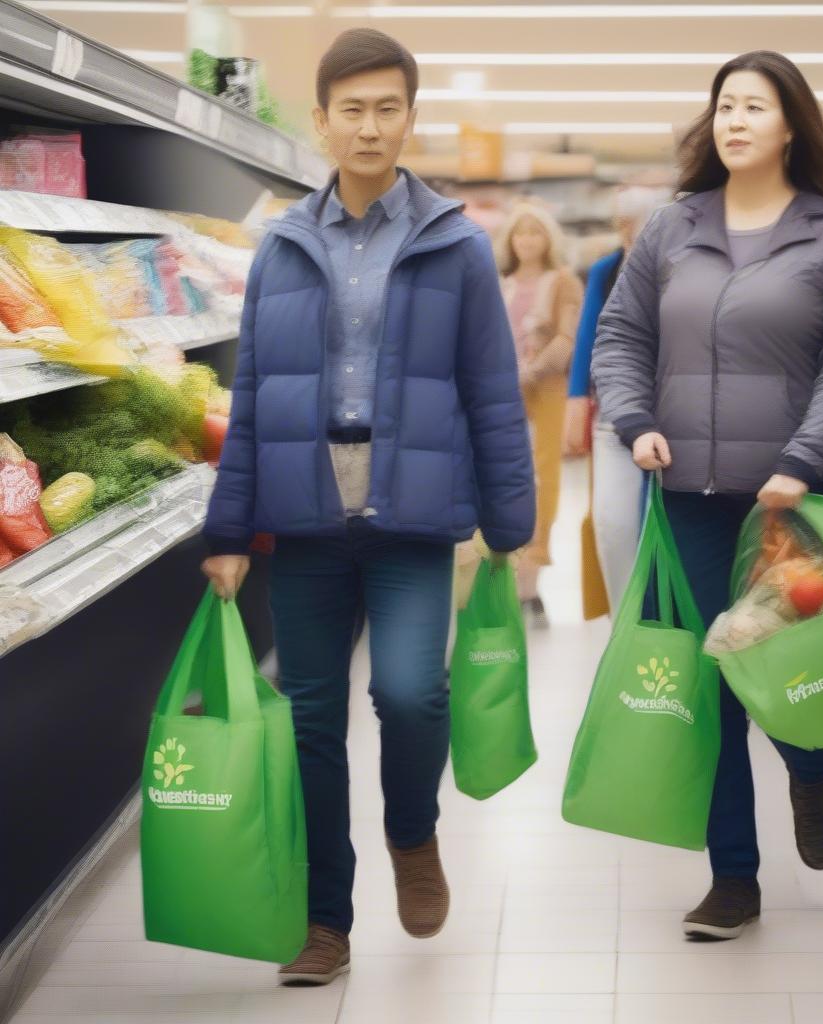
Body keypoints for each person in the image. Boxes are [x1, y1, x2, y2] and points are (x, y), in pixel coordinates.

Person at [201, 28, 535, 984]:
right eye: (352, 108)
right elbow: (253, 395)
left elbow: (492, 389)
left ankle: (414, 835)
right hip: (304, 516)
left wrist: (510, 519)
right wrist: (228, 529)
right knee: (310, 718)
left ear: (409, 119)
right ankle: (325, 921)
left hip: (413, 512)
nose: (370, 125)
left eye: (389, 107)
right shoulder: (282, 248)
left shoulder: (457, 245)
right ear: (321, 121)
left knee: (408, 691)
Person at [592, 50, 823, 940]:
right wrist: (633, 415)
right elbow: (621, 332)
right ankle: (733, 878)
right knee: (709, 682)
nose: (736, 120)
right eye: (725, 106)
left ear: (792, 123)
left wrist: (802, 459)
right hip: (685, 494)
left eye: (754, 106)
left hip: (795, 499)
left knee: (789, 671)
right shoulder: (670, 229)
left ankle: (812, 764)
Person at [564, 187, 667, 614]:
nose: (627, 232)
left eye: (633, 222)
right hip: (614, 418)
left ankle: (656, 618)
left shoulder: (678, 267)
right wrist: (575, 400)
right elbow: (588, 336)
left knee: (657, 527)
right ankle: (625, 625)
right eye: (623, 224)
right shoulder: (606, 270)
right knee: (613, 523)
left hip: (670, 416)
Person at [496, 204, 583, 627]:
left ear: (548, 238)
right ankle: (506, 573)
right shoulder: (501, 284)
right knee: (505, 477)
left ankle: (530, 580)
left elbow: (569, 337)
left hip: (545, 391)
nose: (527, 240)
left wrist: (530, 371)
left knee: (543, 477)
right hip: (501, 395)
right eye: (520, 233)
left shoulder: (563, 281)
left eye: (535, 232)